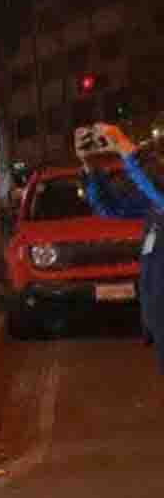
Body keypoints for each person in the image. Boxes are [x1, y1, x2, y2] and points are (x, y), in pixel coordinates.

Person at [78, 122, 164, 370]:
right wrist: (92, 168)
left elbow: (156, 188)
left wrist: (124, 146)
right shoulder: (155, 207)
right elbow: (110, 208)